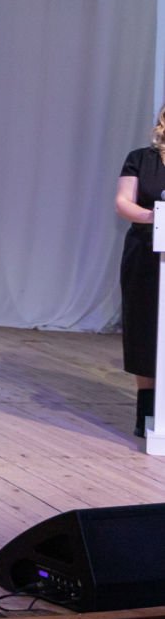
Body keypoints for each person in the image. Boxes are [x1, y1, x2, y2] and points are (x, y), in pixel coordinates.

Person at [118, 107, 165, 436]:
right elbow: (124, 202)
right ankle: (147, 411)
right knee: (144, 328)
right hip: (146, 254)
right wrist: (156, 218)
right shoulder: (140, 159)